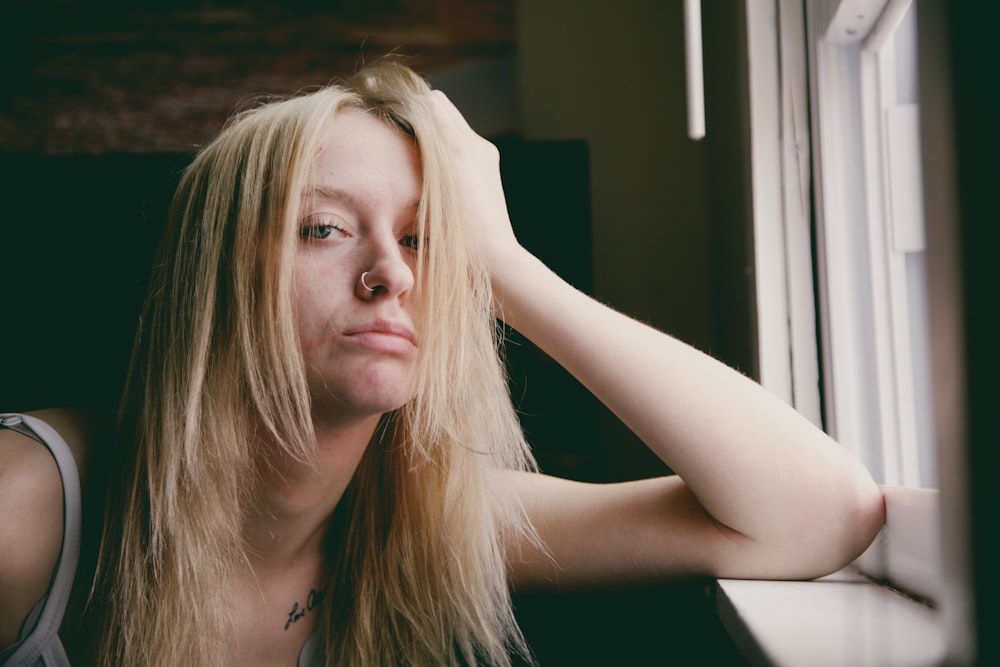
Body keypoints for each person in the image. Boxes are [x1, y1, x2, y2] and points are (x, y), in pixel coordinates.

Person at [0, 59, 885, 666]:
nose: (393, 273)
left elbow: (819, 514)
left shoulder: (423, 515)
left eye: (424, 240)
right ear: (216, 279)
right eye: (324, 228)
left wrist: (505, 265)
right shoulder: (26, 512)